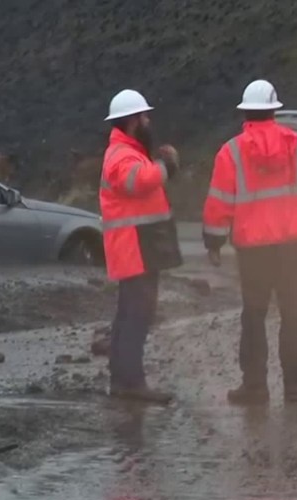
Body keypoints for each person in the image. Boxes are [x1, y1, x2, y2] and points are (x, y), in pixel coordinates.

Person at [203, 79, 297, 405]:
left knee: (254, 314)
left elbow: (219, 201)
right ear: (275, 110)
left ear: (245, 112)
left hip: (253, 249)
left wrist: (214, 241)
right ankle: (294, 387)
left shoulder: (231, 152)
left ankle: (255, 387)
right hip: (296, 245)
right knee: (293, 313)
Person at [99, 89, 183, 404]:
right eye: (144, 116)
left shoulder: (126, 150)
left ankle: (123, 379)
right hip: (136, 247)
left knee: (129, 314)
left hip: (137, 246)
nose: (148, 121)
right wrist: (167, 165)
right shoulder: (122, 155)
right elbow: (138, 182)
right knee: (137, 315)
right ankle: (130, 381)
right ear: (133, 120)